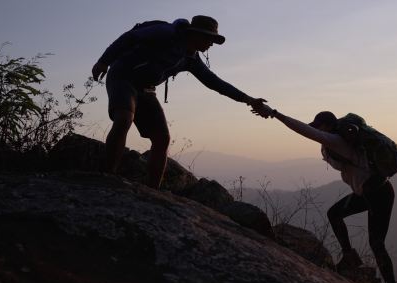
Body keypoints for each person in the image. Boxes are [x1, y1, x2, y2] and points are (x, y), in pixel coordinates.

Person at [92, 15, 267, 188]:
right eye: (210, 39)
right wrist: (103, 61)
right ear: (197, 34)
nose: (211, 44)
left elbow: (214, 82)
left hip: (146, 89)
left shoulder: (191, 59)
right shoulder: (165, 33)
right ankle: (108, 176)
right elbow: (129, 38)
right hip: (123, 76)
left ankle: (153, 190)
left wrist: (248, 100)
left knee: (162, 138)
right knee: (124, 118)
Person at [253, 106, 397, 283]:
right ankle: (350, 256)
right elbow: (309, 130)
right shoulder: (336, 142)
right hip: (369, 192)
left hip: (379, 193)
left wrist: (276, 114)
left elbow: (304, 130)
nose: (317, 130)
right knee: (334, 214)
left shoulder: (336, 141)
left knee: (376, 243)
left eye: (320, 127)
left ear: (328, 126)